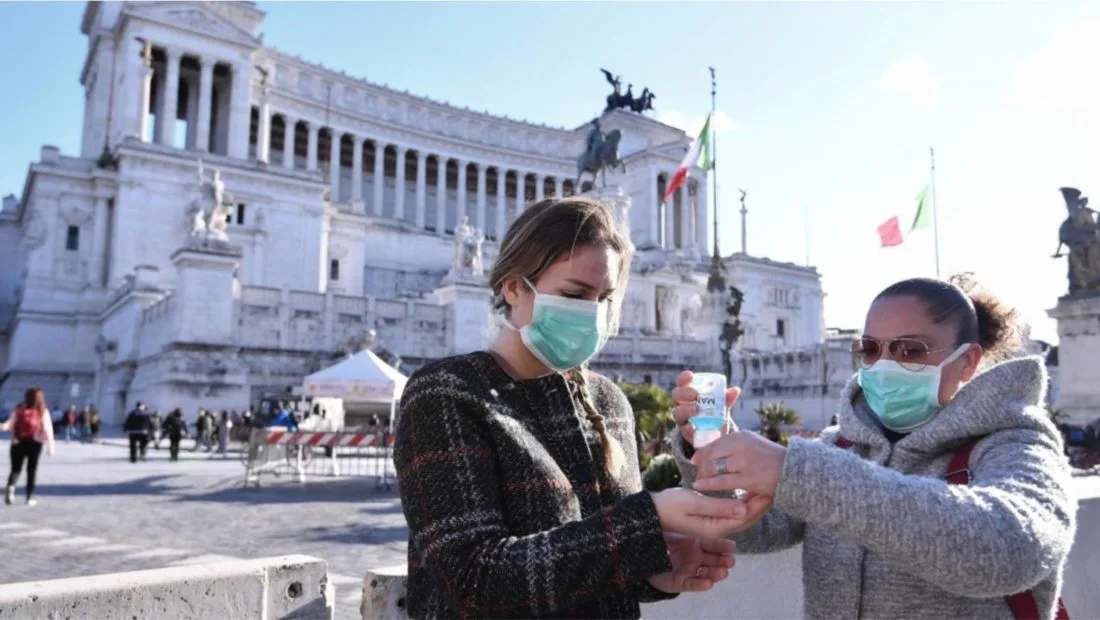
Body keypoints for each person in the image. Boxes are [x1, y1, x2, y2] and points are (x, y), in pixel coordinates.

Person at [394, 197, 751, 620]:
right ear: (513, 286)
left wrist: (656, 573)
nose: (593, 314)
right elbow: (474, 582)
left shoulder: (609, 402)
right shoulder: (447, 393)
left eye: (604, 298)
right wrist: (647, 520)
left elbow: (598, 562)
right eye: (575, 294)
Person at [670, 275, 1076, 619]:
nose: (883, 366)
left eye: (910, 350)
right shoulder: (840, 445)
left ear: (967, 361)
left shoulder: (1016, 441)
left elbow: (1009, 550)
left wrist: (797, 472)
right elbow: (754, 529)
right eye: (870, 349)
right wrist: (712, 452)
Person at [1, 387, 55, 506]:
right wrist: (51, 446)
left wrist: (3, 426)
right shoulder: (42, 410)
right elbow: (47, 429)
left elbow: (9, 425)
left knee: (15, 469)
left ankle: (11, 487)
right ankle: (29, 497)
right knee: (31, 470)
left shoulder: (19, 409)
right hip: (35, 443)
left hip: (17, 442)